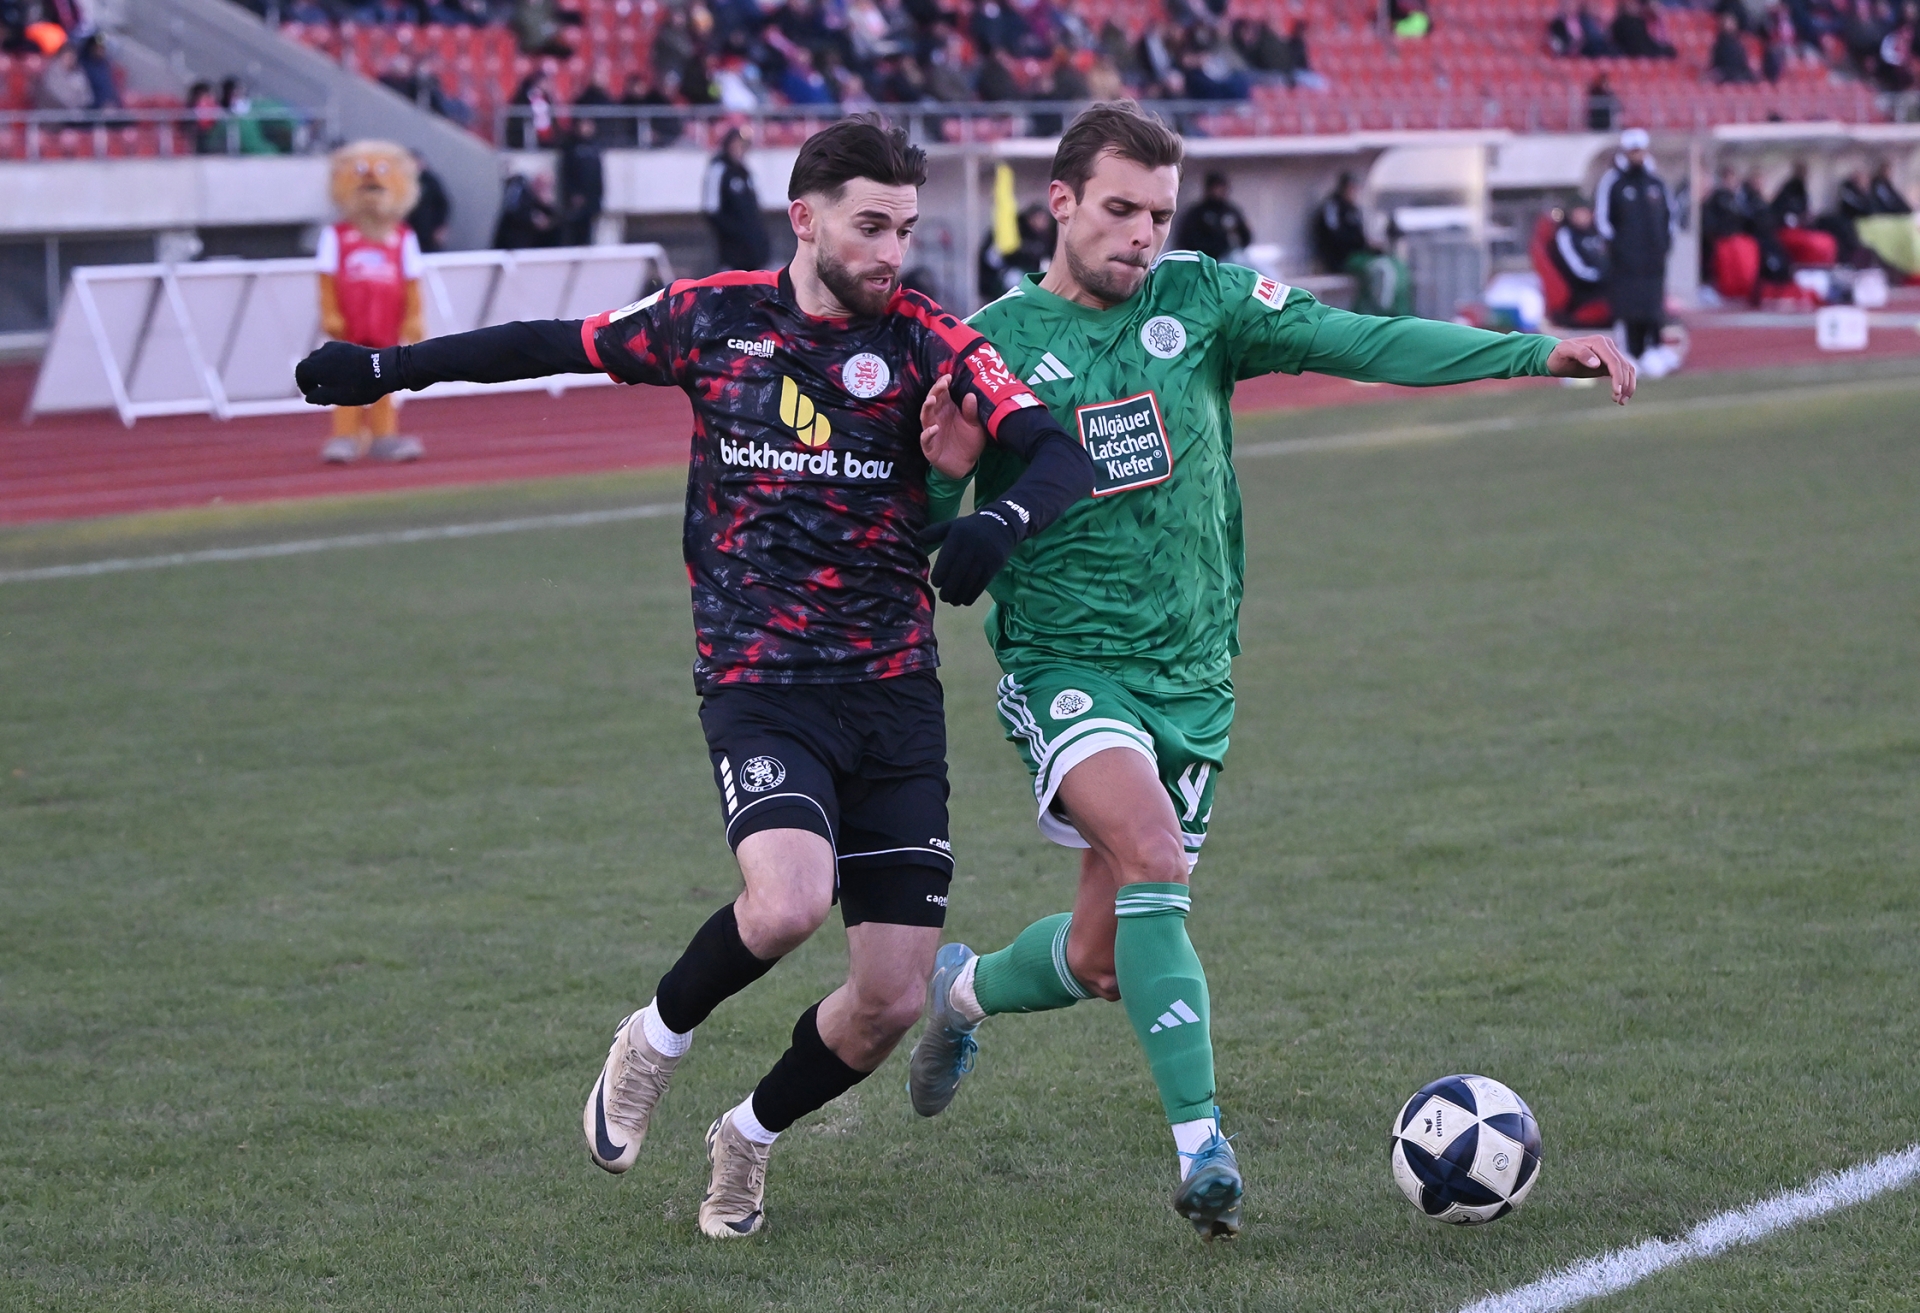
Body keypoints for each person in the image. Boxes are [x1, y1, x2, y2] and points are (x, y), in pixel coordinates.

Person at [293, 115, 1095, 1241]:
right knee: (788, 900)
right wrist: (390, 369)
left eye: (906, 230)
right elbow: (554, 343)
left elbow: (1057, 449)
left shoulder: (928, 340)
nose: (892, 253)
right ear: (804, 218)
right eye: (870, 227)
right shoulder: (711, 315)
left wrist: (998, 520)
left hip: (894, 693)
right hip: (760, 677)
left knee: (890, 998)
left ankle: (748, 1136)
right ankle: (651, 1041)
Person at [907, 99, 1635, 1242]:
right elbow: (927, 537)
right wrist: (948, 476)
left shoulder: (1200, 300)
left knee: (1103, 958)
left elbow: (1362, 340)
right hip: (1067, 663)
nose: (1143, 234)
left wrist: (1534, 351)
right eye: (1120, 209)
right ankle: (1204, 1149)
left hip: (1195, 674)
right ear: (1059, 202)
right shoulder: (990, 343)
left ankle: (960, 989)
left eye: (1159, 212)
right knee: (1154, 856)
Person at [1594, 127, 1672, 364]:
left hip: (1653, 260)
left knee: (1653, 306)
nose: (1637, 155)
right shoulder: (1613, 182)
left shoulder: (1656, 182)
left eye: (1640, 150)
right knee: (1629, 308)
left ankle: (1654, 349)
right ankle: (1629, 353)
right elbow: (1602, 218)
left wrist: (1664, 245)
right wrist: (1618, 247)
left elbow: (1670, 216)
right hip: (1626, 262)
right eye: (1633, 151)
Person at [704, 127, 770, 272]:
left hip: (753, 250)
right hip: (732, 251)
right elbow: (711, 209)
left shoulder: (745, 172)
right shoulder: (719, 169)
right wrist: (735, 233)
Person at [978, 202, 1056, 301]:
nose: (1041, 223)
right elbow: (993, 258)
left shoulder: (1046, 237)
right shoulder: (1015, 232)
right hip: (1006, 277)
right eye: (1038, 218)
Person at [1173, 171, 1253, 264]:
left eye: (1222, 187)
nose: (1219, 191)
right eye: (1216, 187)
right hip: (1202, 261)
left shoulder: (1231, 212)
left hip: (1229, 260)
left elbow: (1245, 235)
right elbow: (1185, 239)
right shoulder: (1196, 214)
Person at [1551, 201, 1609, 318]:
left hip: (1606, 283)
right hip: (1583, 289)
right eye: (1578, 212)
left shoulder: (1598, 231)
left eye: (1585, 212)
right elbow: (1577, 269)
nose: (1583, 216)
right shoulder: (1566, 235)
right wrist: (1603, 277)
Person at [1311, 171, 1373, 274]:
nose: (1354, 192)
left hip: (1356, 254)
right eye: (1351, 188)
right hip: (1339, 259)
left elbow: (1359, 234)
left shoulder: (1354, 210)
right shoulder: (1332, 207)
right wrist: (1357, 242)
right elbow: (1333, 236)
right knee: (1376, 269)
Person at [558, 116, 605, 247]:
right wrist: (573, 193)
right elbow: (567, 172)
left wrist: (600, 195)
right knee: (575, 233)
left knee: (589, 233)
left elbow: (598, 174)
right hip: (577, 199)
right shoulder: (571, 147)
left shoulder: (595, 147)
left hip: (593, 198)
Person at [406, 151, 452, 254]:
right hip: (409, 226)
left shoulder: (430, 181)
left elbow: (442, 204)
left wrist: (440, 226)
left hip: (427, 229)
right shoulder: (402, 181)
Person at [1709, 12, 1758, 81]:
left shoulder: (1738, 43)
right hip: (1724, 73)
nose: (1730, 25)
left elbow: (1743, 61)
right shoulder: (1718, 43)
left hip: (1739, 72)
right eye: (1728, 23)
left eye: (1732, 23)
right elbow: (1715, 62)